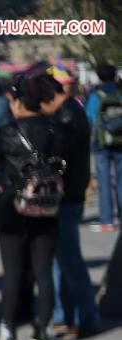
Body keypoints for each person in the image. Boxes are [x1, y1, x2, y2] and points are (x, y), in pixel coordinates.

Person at [0, 75, 64, 340]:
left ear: (19, 102)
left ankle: (9, 330)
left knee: (12, 271)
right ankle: (42, 331)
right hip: (46, 206)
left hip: (12, 206)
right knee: (43, 270)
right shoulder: (54, 129)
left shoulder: (7, 132)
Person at [41, 75, 99, 337]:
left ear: (48, 98)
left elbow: (54, 156)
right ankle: (64, 315)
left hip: (68, 196)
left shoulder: (66, 118)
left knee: (70, 261)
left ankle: (86, 317)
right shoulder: (72, 111)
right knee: (60, 260)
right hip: (69, 195)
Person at [85, 63, 122, 232]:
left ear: (99, 77)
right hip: (120, 140)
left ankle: (106, 220)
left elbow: (90, 117)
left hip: (101, 143)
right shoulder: (120, 92)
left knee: (104, 181)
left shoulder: (96, 95)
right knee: (121, 180)